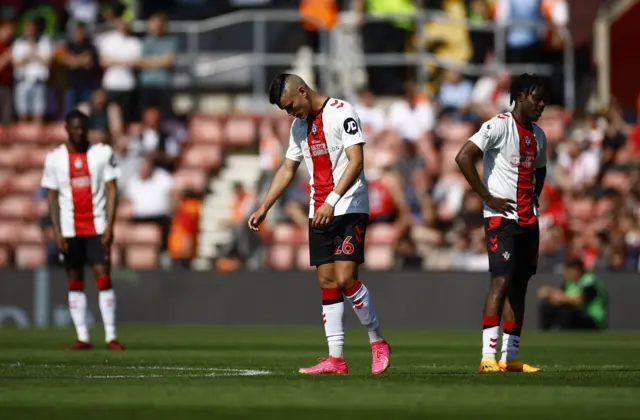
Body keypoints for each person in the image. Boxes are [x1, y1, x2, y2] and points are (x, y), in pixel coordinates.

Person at [248, 73, 391, 375]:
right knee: (327, 282)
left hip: (349, 206)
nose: (290, 113)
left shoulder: (342, 112)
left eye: (289, 106)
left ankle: (377, 342)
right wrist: (263, 207)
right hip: (319, 210)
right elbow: (288, 168)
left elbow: (356, 161)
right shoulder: (298, 127)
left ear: (302, 91)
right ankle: (335, 359)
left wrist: (333, 200)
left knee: (346, 277)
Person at [455, 74, 548, 373]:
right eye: (537, 98)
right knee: (501, 280)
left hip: (528, 219)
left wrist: (535, 195)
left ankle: (511, 358)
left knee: (519, 286)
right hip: (501, 219)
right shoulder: (498, 125)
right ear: (520, 96)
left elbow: (541, 169)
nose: (542, 105)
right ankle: (487, 357)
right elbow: (464, 156)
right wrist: (486, 196)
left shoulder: (539, 135)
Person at [41, 110, 125, 351]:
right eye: (74, 128)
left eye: (82, 128)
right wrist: (57, 231)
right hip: (69, 229)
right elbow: (52, 195)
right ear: (66, 128)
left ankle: (110, 336)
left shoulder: (101, 153)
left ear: (87, 129)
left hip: (97, 226)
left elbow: (111, 189)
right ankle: (83, 337)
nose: (78, 132)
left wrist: (110, 224)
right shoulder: (54, 158)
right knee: (74, 280)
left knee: (103, 276)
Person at [537, 258, 606, 330]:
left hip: (591, 317)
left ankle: (563, 334)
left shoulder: (589, 280)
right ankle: (545, 334)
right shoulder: (568, 282)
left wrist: (559, 297)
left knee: (565, 310)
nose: (565, 273)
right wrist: (551, 293)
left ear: (576, 270)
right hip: (576, 313)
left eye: (568, 270)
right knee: (546, 305)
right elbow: (559, 296)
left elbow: (580, 300)